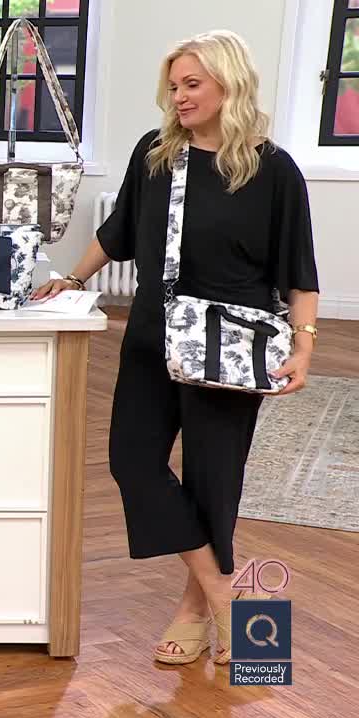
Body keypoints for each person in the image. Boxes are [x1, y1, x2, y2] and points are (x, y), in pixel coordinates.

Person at [32, 30, 320, 666]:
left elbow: (300, 270)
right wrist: (74, 278)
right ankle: (226, 596)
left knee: (215, 484)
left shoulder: (272, 169)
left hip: (232, 345)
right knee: (131, 462)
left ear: (228, 86)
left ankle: (194, 611)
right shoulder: (156, 153)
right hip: (151, 335)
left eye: (193, 84)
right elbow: (118, 232)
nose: (179, 95)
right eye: (174, 84)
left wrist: (303, 347)